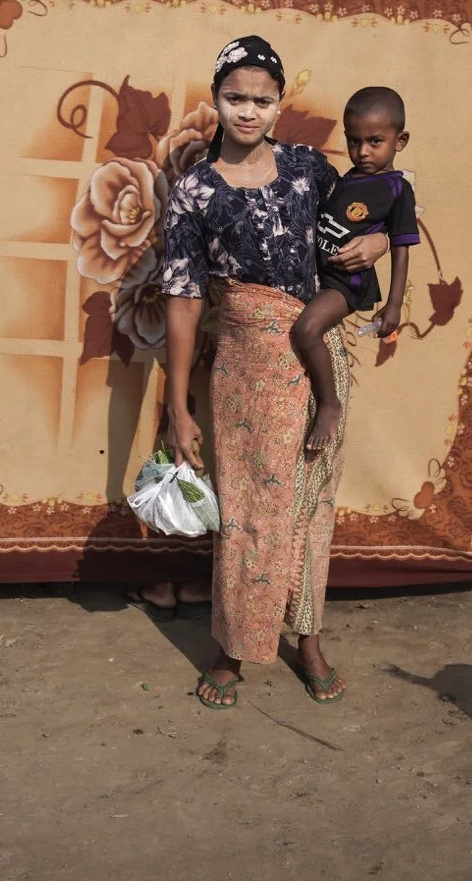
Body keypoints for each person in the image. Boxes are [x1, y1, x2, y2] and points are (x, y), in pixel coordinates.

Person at [158, 36, 390, 710]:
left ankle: (308, 639)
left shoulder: (309, 170)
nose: (248, 112)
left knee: (311, 508)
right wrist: (178, 406)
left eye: (262, 100)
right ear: (216, 100)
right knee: (248, 511)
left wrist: (376, 242)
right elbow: (182, 300)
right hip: (243, 368)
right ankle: (233, 647)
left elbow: (368, 229)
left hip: (319, 366)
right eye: (235, 98)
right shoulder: (195, 193)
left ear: (278, 102)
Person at [294, 87, 419, 453]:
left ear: (401, 140)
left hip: (346, 283)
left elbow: (401, 248)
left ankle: (330, 405)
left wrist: (394, 305)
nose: (363, 152)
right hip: (320, 277)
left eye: (375, 141)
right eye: (354, 141)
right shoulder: (348, 178)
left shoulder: (397, 190)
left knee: (306, 330)